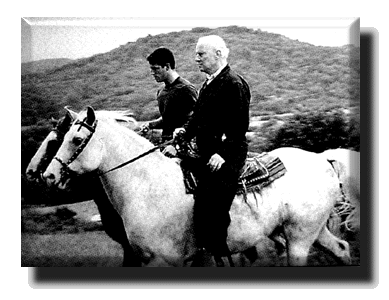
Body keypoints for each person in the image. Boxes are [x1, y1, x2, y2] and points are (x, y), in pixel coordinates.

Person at [173, 35, 251, 267]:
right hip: (206, 154)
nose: (196, 59)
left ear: (218, 54)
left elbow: (239, 128)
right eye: (197, 54)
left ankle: (219, 256)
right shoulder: (208, 83)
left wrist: (222, 154)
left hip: (229, 154)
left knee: (212, 203)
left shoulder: (234, 84)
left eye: (200, 54)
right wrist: (183, 133)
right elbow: (196, 119)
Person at [141, 47, 197, 157]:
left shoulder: (186, 89)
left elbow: (197, 120)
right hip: (165, 146)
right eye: (151, 69)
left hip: (184, 150)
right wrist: (150, 125)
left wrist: (177, 145)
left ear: (167, 66)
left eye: (156, 69)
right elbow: (168, 119)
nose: (152, 73)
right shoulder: (161, 92)